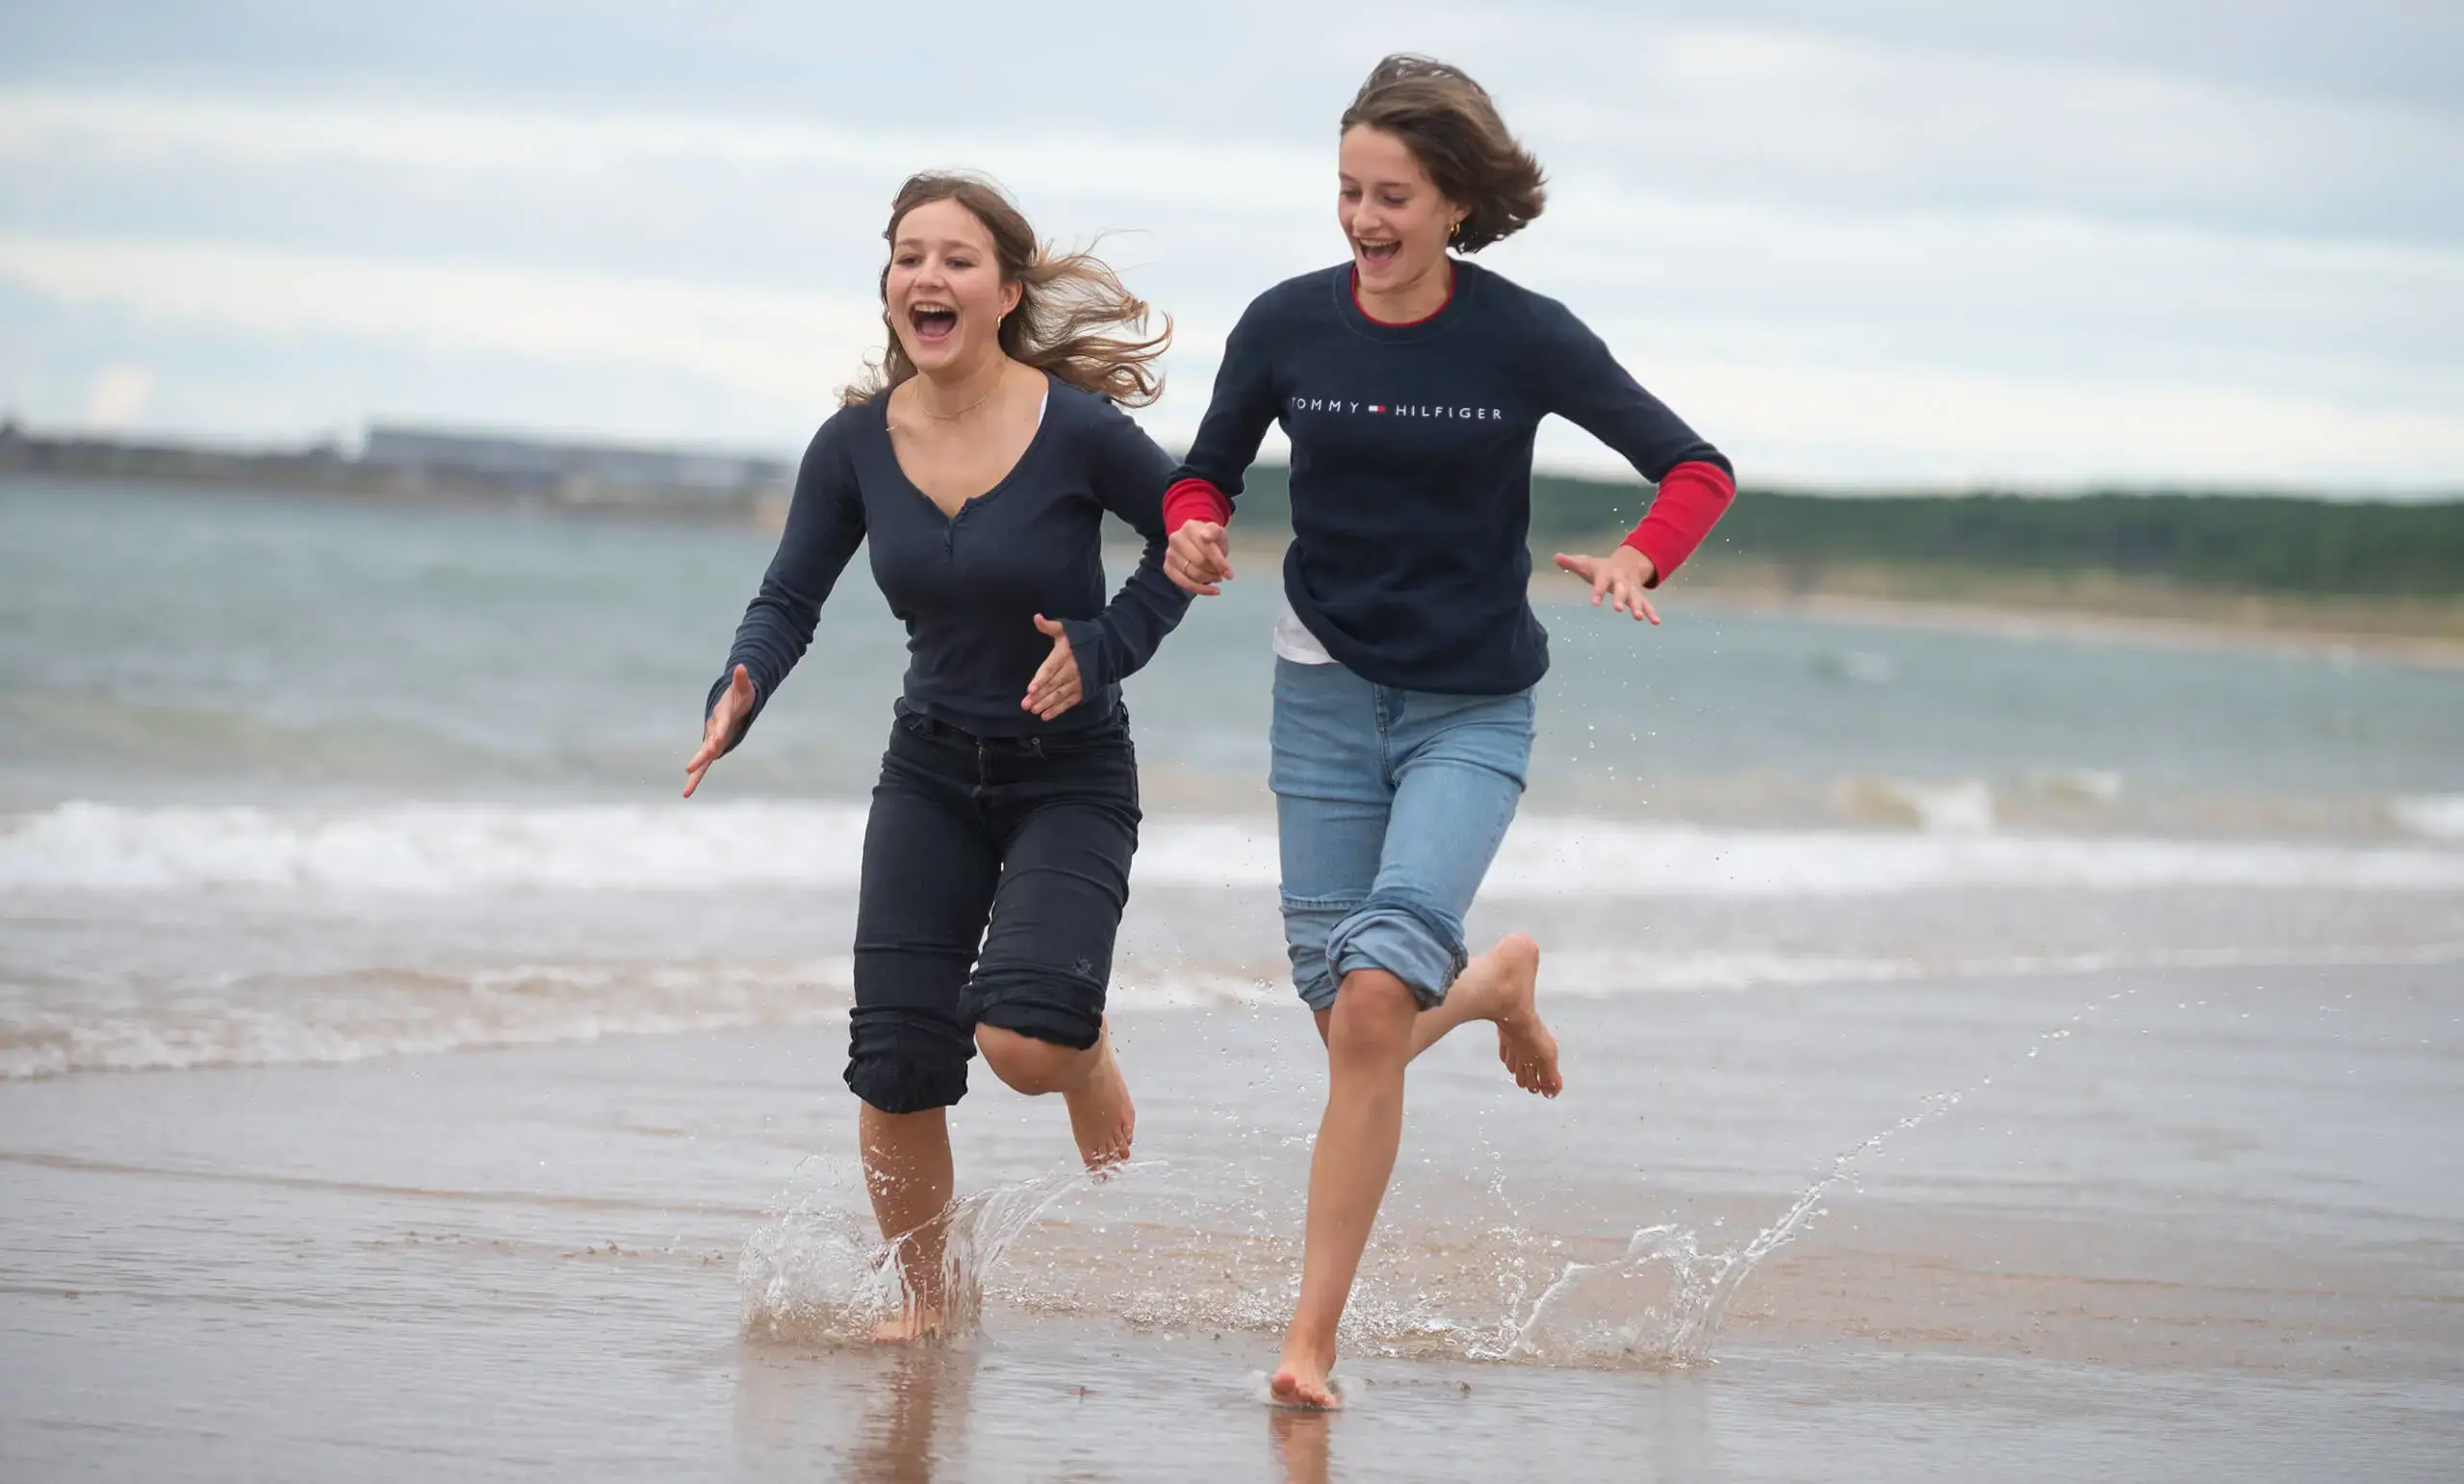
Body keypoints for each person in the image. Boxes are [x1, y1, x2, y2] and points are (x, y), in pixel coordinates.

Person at [1160, 55, 1739, 1406]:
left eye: (1395, 196)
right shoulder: (1286, 323)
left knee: (1369, 1012)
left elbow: (1695, 467)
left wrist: (1645, 557)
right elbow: (1207, 468)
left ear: (1459, 201)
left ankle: (1308, 1345)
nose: (1364, 220)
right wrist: (1192, 528)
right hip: (1318, 698)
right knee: (1351, 1026)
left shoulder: (1521, 337)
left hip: (1472, 707)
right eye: (1349, 191)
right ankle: (1485, 989)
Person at [685, 172, 1192, 1341]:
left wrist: (1108, 645)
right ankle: (926, 1303)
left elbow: (1191, 536)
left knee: (1022, 1042)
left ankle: (1084, 1051)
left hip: (1069, 773)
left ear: (1005, 290)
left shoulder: (1078, 430)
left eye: (956, 258)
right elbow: (788, 596)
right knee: (897, 1058)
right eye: (909, 255)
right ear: (889, 286)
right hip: (927, 772)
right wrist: (740, 689)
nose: (929, 276)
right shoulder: (855, 445)